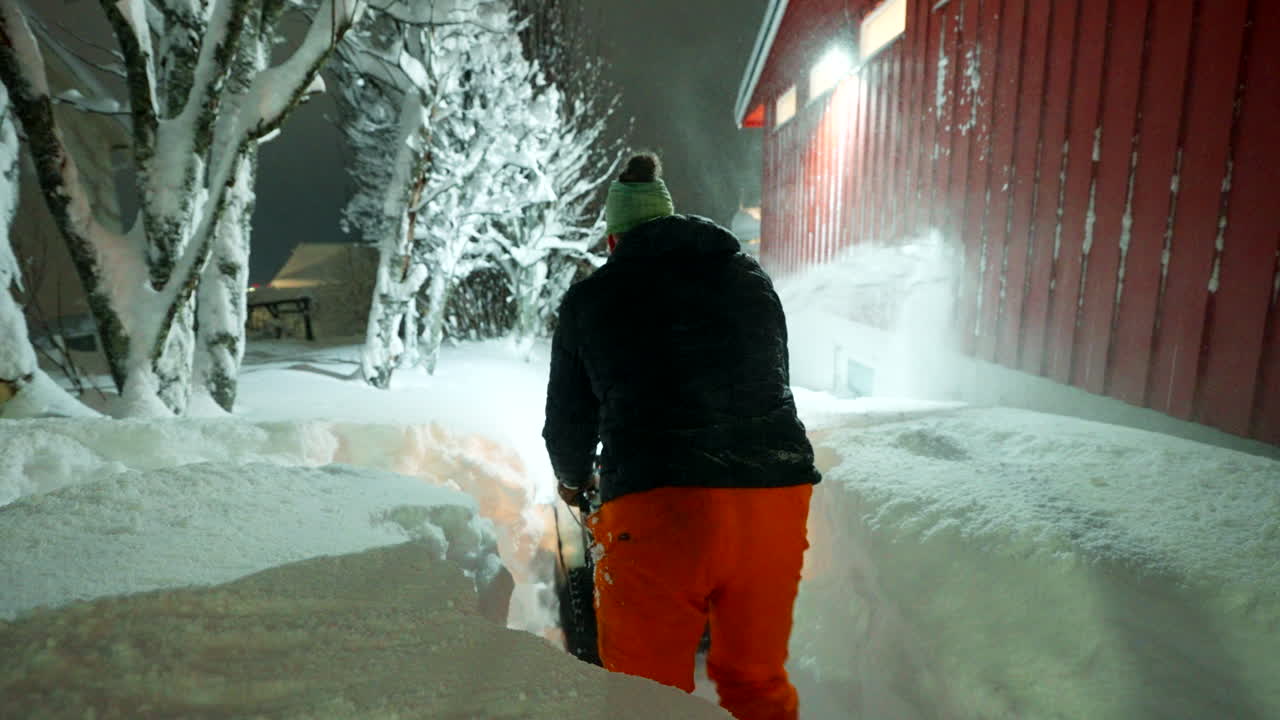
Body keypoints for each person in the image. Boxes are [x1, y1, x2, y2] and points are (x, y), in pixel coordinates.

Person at [542, 152, 820, 720]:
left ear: (615, 239)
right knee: (757, 681)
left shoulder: (593, 299)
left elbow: (568, 426)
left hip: (660, 507)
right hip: (775, 501)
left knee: (646, 698)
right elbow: (774, 380)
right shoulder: (749, 278)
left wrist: (574, 483)